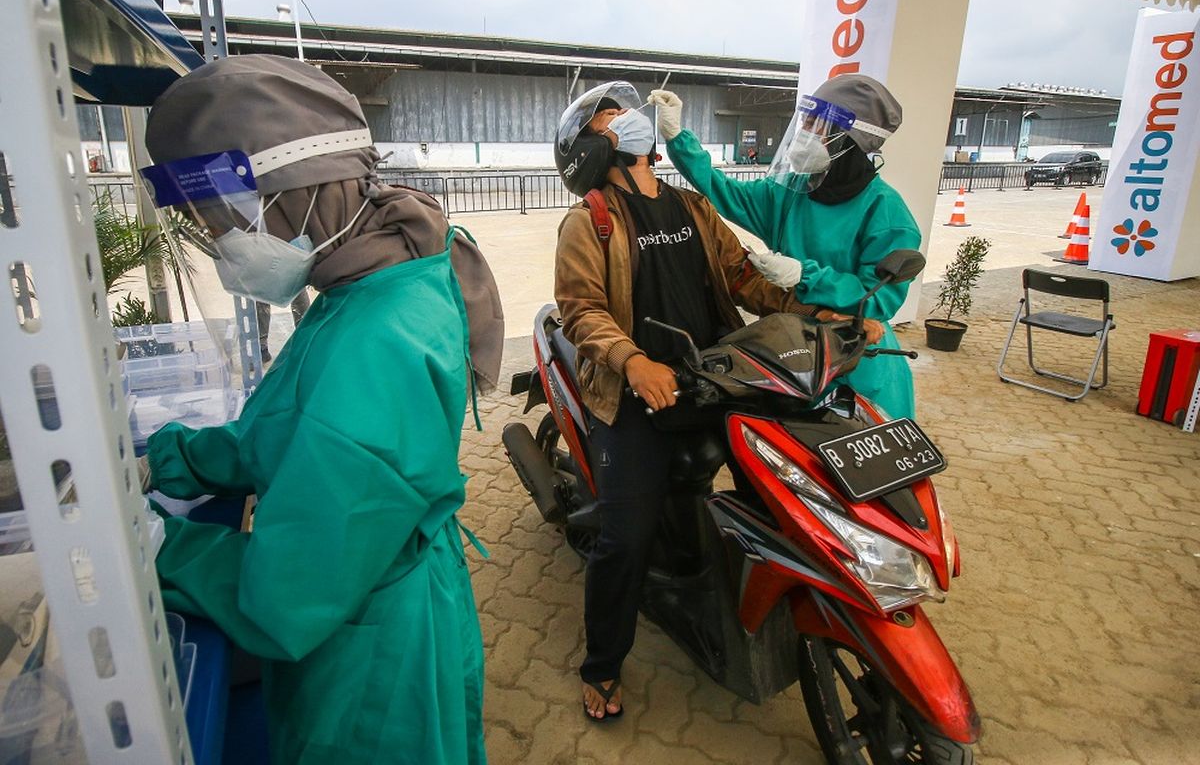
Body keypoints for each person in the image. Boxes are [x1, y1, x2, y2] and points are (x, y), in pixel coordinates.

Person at [136, 55, 503, 764]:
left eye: (221, 223)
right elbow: (283, 428)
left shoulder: (377, 339)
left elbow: (287, 596)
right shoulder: (365, 283)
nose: (222, 246)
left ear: (292, 195)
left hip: (368, 655)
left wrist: (157, 548)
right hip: (368, 598)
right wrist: (172, 459)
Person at [552, 82, 878, 722]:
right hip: (637, 396)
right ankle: (603, 665)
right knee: (625, 537)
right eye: (619, 118)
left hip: (714, 379)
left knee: (786, 486)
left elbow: (745, 280)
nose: (639, 123)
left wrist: (826, 314)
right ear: (594, 146)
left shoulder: (691, 206)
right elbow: (580, 310)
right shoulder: (590, 219)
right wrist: (634, 360)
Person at [650, 74, 921, 420]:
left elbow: (880, 299)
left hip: (856, 360)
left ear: (850, 139)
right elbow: (724, 191)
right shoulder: (792, 191)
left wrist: (804, 275)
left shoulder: (886, 213)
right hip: (794, 351)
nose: (803, 131)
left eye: (815, 123)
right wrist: (678, 138)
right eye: (803, 120)